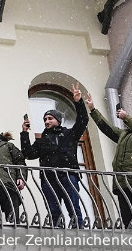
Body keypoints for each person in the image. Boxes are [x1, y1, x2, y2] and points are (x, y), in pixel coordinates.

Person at [85, 94, 132, 228]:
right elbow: (107, 128)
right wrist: (93, 109)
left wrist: (127, 117)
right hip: (122, 182)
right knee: (127, 218)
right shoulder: (124, 134)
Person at [21, 83, 88, 228]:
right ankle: (57, 232)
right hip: (48, 177)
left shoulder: (70, 134)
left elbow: (83, 120)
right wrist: (24, 134)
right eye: (45, 119)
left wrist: (78, 102)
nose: (46, 121)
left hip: (68, 175)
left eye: (50, 118)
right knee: (53, 210)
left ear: (58, 120)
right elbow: (28, 154)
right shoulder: (42, 140)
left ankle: (79, 230)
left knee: (73, 207)